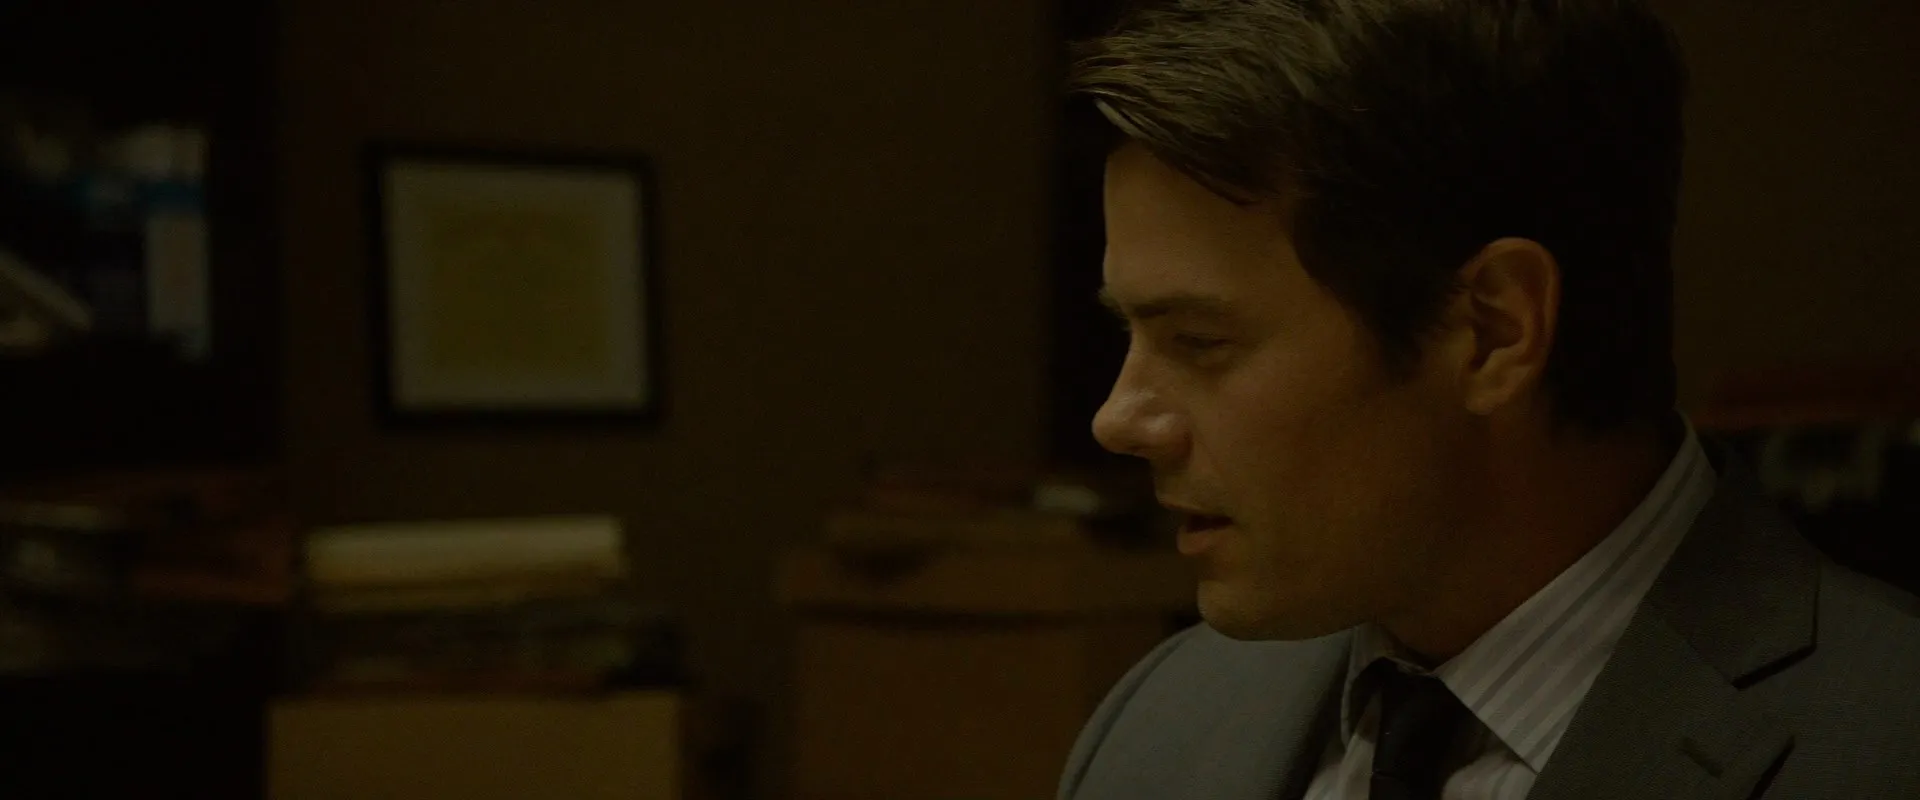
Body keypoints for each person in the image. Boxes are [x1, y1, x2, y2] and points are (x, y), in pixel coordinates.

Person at [1059, 1, 1920, 798]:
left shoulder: (1883, 743)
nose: (1119, 418)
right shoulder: (1161, 724)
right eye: (1128, 333)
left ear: (1493, 331)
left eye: (1198, 341)